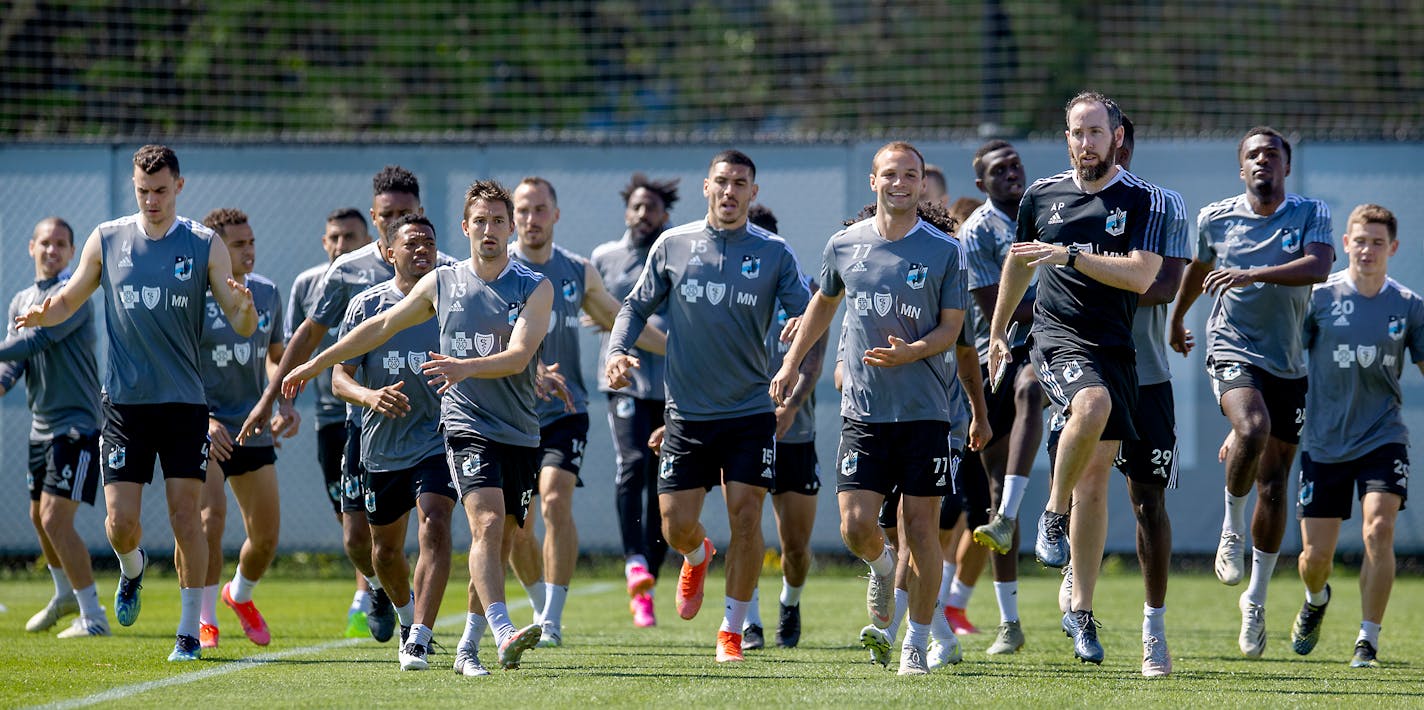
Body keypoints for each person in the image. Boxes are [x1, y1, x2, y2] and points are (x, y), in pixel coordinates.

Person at [284, 179, 549, 676]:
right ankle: (499, 629)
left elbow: (517, 358)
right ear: (465, 227)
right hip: (465, 425)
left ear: (511, 227)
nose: (489, 230)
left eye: (499, 221)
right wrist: (316, 363)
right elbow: (380, 327)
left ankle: (468, 644)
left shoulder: (535, 286)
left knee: (505, 537)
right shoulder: (443, 284)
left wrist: (464, 366)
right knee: (483, 524)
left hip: (519, 429)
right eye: (480, 221)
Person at [16, 144, 257, 662]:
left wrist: (244, 309)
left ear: (179, 187)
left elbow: (241, 323)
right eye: (143, 191)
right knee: (119, 524)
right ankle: (133, 569)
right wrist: (43, 314)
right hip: (125, 408)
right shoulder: (107, 239)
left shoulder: (202, 243)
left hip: (184, 405)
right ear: (134, 187)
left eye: (161, 191)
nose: (152, 200)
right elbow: (71, 297)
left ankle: (189, 633)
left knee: (184, 518)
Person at [772, 141, 968, 675]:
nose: (900, 182)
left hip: (926, 413)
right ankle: (883, 570)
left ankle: (916, 642)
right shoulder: (843, 245)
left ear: (922, 182)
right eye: (890, 174)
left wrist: (914, 351)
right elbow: (822, 306)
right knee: (857, 527)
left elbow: (953, 327)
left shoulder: (945, 250)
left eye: (910, 174)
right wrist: (791, 364)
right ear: (873, 180)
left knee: (921, 530)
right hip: (864, 413)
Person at [607, 150, 810, 663]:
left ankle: (731, 632)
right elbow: (634, 306)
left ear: (753, 193)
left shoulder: (775, 253)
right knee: (674, 526)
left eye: (740, 183)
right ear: (706, 187)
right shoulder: (673, 245)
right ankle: (697, 554)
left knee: (747, 517)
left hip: (749, 413)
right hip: (686, 416)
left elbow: (808, 314)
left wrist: (795, 352)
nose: (730, 191)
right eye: (721, 181)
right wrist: (616, 351)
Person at [241, 166, 454, 643]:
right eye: (386, 215)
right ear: (375, 216)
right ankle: (380, 588)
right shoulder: (349, 271)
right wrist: (273, 398)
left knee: (434, 521)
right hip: (358, 421)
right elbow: (310, 334)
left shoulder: (445, 271)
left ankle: (417, 628)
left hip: (431, 427)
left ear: (419, 214)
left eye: (406, 213)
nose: (396, 221)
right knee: (361, 541)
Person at [988, 93, 1164, 665]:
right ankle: (1050, 514)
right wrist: (995, 332)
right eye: (1076, 131)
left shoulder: (1143, 200)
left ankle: (1082, 613)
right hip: (1057, 338)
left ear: (1116, 137)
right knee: (1090, 406)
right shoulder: (1041, 194)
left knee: (1097, 483)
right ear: (1066, 138)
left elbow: (1141, 276)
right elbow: (1019, 260)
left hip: (1114, 346)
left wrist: (1071, 256)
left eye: (1095, 131)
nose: (1085, 141)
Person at [1168, 126, 1333, 658]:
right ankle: (1231, 529)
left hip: (1289, 362)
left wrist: (1252, 273)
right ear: (1241, 169)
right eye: (1253, 155)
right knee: (1251, 426)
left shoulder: (1311, 213)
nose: (1263, 161)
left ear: (1286, 166)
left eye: (1273, 154)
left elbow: (1320, 266)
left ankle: (1256, 599)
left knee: (1276, 485)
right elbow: (1198, 268)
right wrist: (1177, 319)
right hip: (1232, 345)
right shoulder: (1215, 217)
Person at [506, 176, 667, 647]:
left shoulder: (577, 271)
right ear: (511, 217)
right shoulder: (494, 272)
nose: (531, 219)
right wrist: (526, 368)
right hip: (509, 414)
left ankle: (552, 618)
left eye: (540, 210)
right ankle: (539, 605)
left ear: (556, 215)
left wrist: (684, 350)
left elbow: (622, 320)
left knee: (555, 499)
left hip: (565, 410)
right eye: (522, 211)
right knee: (517, 528)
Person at [1290, 204, 1421, 669]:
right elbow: (1287, 366)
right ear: (1346, 243)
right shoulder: (1319, 299)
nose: (1368, 250)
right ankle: (1316, 596)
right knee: (1314, 557)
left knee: (1379, 529)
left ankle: (1368, 639)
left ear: (1393, 249)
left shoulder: (1408, 305)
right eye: (1360, 241)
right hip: (1324, 442)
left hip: (1382, 435)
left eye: (1378, 243)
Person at [330, 214, 454, 670]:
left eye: (429, 242)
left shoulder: (451, 304)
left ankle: (419, 637)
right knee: (380, 549)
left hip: (437, 439)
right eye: (412, 243)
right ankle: (404, 615)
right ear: (389, 253)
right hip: (380, 446)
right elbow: (339, 378)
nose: (422, 250)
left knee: (436, 522)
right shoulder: (366, 307)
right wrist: (369, 396)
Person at [1106, 116, 1191, 676]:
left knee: (1147, 503)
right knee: (1081, 485)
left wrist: (1084, 278)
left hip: (1148, 377)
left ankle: (1153, 627)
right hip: (1084, 363)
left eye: (1107, 139)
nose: (1095, 149)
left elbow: (1165, 283)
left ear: (1124, 147)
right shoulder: (1060, 202)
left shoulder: (1162, 207)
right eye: (1082, 135)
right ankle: (1075, 574)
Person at [0, 217, 107, 638]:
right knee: (39, 518)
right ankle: (65, 595)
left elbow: (36, 341)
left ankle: (93, 616)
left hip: (77, 424)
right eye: (45, 242)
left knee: (55, 519)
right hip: (41, 427)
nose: (52, 250)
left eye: (61, 244)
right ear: (31, 247)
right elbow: (15, 362)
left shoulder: (73, 295)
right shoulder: (21, 299)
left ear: (71, 251)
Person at [958, 139, 1041, 655]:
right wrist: (1059, 298)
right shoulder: (977, 233)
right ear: (980, 183)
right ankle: (1009, 622)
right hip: (999, 356)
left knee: (1034, 388)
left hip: (1053, 347)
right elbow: (997, 310)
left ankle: (1078, 606)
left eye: (1015, 165)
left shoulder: (1049, 212)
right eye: (998, 169)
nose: (1011, 173)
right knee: (990, 493)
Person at [194, 208, 287, 651]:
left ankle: (240, 595)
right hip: (203, 425)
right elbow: (180, 362)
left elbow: (275, 355)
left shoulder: (267, 292)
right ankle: (204, 619)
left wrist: (281, 400)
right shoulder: (194, 294)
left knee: (266, 536)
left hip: (252, 425)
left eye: (251, 242)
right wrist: (203, 419)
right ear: (216, 249)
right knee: (210, 521)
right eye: (237, 244)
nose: (248, 250)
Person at [737, 203, 827, 651]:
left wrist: (790, 407)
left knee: (795, 545)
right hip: (744, 429)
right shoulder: (729, 290)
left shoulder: (807, 291)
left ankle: (789, 603)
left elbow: (813, 359)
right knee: (746, 523)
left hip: (796, 433)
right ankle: (748, 621)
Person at [590, 172, 678, 628]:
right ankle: (633, 563)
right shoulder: (605, 257)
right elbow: (595, 305)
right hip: (623, 385)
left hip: (671, 386)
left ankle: (648, 583)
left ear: (666, 215)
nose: (644, 215)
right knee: (632, 465)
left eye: (653, 208)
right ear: (627, 211)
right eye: (637, 207)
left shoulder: (676, 256)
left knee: (666, 485)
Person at [286, 207, 375, 637]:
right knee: (348, 514)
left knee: (378, 512)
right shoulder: (306, 285)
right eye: (334, 238)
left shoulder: (377, 276)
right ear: (325, 242)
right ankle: (375, 584)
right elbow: (288, 351)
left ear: (368, 237)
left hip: (372, 409)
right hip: (328, 415)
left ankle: (368, 594)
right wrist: (280, 399)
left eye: (350, 237)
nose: (342, 245)